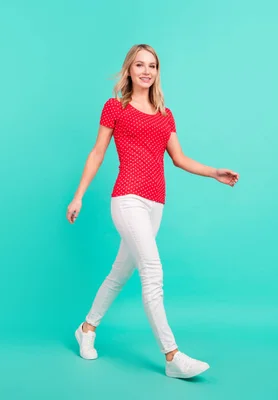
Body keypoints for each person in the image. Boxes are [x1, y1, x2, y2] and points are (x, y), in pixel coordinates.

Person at [66, 44, 239, 379]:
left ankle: (87, 328)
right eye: (140, 65)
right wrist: (79, 196)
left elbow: (179, 158)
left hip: (155, 203)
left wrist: (213, 172)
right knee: (152, 272)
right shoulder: (114, 107)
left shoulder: (165, 114)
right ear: (129, 69)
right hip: (127, 198)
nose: (146, 71)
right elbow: (98, 152)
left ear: (157, 72)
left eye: (153, 66)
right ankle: (172, 356)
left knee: (119, 274)